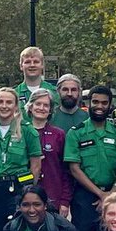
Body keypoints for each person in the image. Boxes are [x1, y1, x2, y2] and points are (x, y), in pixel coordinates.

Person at [64, 85, 116, 231]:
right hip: (84, 197)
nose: (99, 106)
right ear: (88, 103)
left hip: (113, 194)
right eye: (95, 102)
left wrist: (112, 192)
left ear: (110, 105)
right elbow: (74, 168)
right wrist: (100, 194)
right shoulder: (76, 133)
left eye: (104, 103)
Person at [0, 88, 42, 231]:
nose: (4, 106)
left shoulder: (27, 131)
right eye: (0, 101)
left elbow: (36, 165)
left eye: (9, 102)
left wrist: (29, 191)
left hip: (19, 188)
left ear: (16, 106)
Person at [27, 89, 72, 217]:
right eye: (38, 104)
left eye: (46, 105)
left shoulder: (59, 134)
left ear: (51, 110)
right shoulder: (21, 133)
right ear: (30, 107)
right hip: (27, 197)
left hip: (53, 197)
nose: (41, 108)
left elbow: (66, 170)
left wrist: (65, 201)